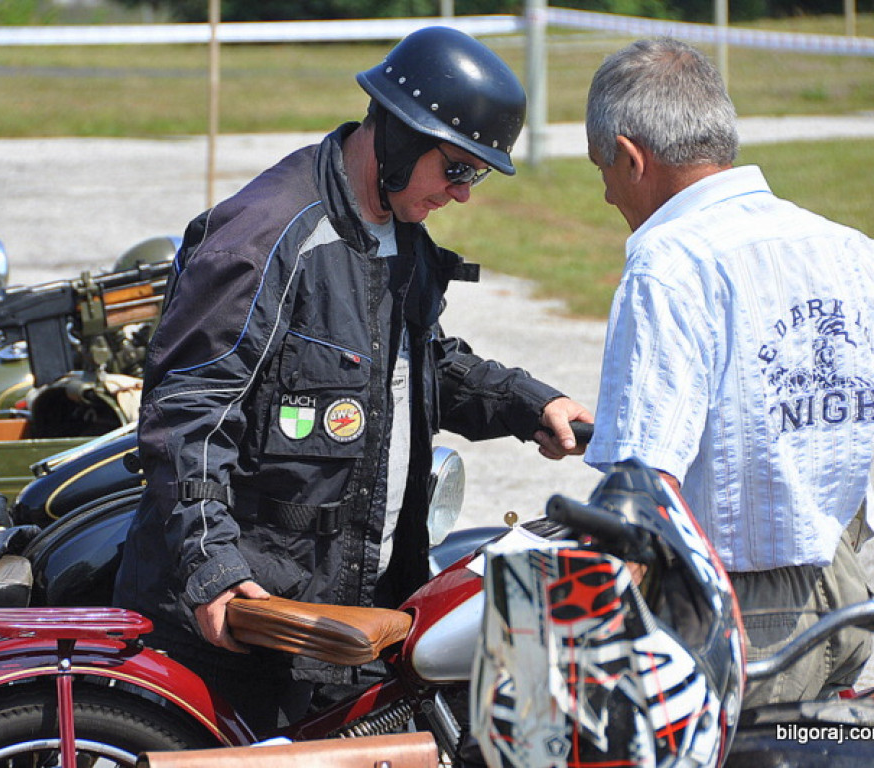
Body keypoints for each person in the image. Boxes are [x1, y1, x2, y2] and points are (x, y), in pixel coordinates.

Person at [113, 25, 592, 732]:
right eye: (457, 169)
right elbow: (189, 412)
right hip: (251, 623)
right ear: (400, 136)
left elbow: (421, 362)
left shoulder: (401, 235)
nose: (462, 194)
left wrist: (531, 404)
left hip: (356, 605)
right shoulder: (268, 234)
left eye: (476, 175)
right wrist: (211, 567)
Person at [582, 37, 874, 707]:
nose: (605, 193)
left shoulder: (668, 265)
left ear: (631, 157)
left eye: (604, 169)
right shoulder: (851, 250)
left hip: (739, 614)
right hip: (849, 592)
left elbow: (641, 486)